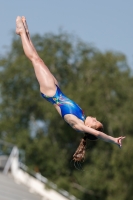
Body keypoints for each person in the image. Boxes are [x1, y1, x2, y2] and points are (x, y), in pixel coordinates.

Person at [16, 16, 125, 162]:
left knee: (36, 60)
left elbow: (98, 135)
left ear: (90, 128)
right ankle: (27, 33)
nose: (95, 118)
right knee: (37, 59)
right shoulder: (81, 117)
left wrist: (113, 139)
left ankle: (22, 33)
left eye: (95, 122)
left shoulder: (80, 126)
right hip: (56, 90)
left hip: (51, 93)